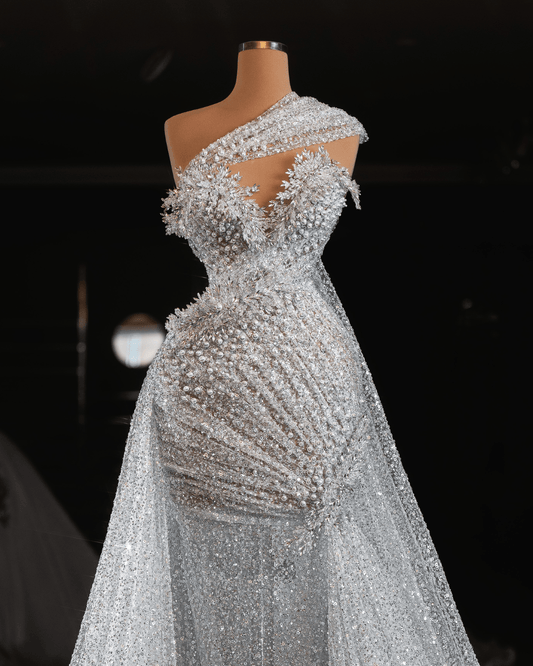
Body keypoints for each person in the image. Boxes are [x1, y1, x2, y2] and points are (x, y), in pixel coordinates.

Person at [70, 41, 480, 665]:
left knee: (321, 553)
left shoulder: (337, 130)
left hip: (311, 381)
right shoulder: (182, 130)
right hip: (206, 383)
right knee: (209, 572)